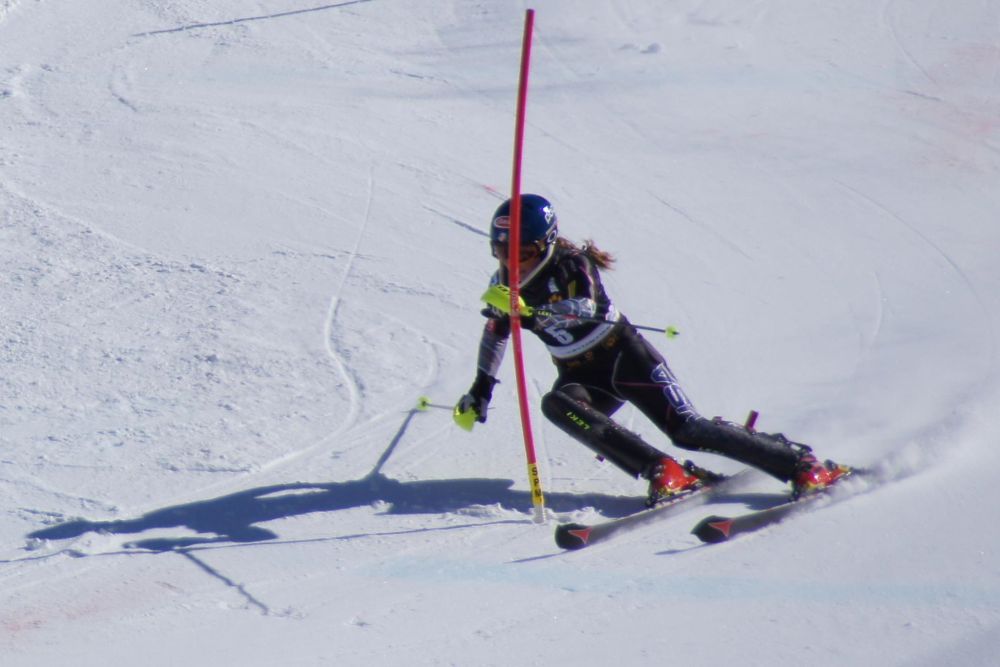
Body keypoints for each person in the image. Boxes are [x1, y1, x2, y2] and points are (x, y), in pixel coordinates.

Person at [454, 194, 849, 506]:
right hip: (580, 375)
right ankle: (662, 469)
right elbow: (495, 330)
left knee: (687, 430)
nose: (512, 262)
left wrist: (530, 309)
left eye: (521, 252)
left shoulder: (571, 264)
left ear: (547, 244)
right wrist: (481, 387)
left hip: (625, 357)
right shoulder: (504, 283)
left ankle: (800, 464)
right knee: (558, 405)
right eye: (501, 251)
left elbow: (584, 309)